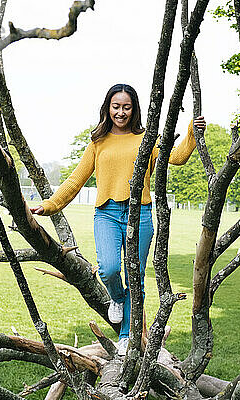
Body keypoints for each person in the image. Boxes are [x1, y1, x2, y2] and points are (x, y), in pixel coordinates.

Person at [30, 83, 206, 356]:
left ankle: (127, 335)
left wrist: (193, 131)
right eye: (116, 106)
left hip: (141, 214)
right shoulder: (98, 142)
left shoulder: (147, 139)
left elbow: (179, 156)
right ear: (107, 108)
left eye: (126, 107)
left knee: (136, 277)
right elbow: (77, 179)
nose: (121, 112)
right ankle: (117, 298)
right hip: (107, 213)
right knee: (109, 269)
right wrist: (51, 204)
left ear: (134, 109)